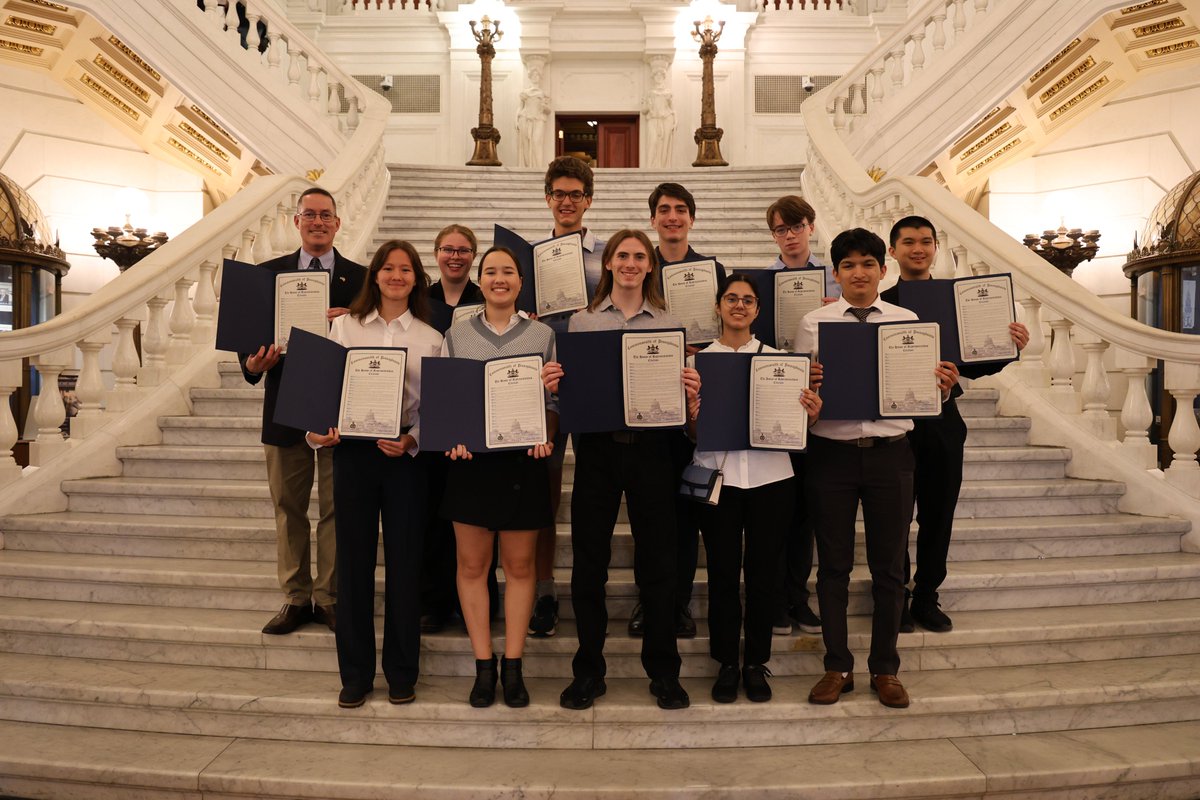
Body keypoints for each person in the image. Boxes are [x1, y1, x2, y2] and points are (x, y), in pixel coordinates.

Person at [795, 227, 957, 710]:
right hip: (831, 454)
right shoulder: (813, 323)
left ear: (882, 270)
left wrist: (943, 388)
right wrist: (808, 394)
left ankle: (885, 668)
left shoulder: (908, 320)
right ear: (837, 272)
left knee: (889, 568)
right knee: (834, 567)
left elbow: (927, 393)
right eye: (848, 265)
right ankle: (837, 665)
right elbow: (796, 397)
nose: (859, 273)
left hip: (891, 453)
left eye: (867, 264)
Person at [542, 229, 701, 711]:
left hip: (655, 451)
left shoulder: (672, 324)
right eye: (622, 256)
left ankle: (664, 672)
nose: (631, 263)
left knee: (659, 563)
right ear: (607, 264)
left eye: (639, 256)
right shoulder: (581, 323)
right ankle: (589, 670)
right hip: (598, 453)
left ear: (650, 265)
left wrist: (692, 389)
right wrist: (554, 383)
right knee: (589, 564)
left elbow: (686, 405)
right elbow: (561, 396)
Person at [306, 239, 444, 709]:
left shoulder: (430, 337)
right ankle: (356, 675)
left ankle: (402, 673)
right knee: (354, 566)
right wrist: (318, 433)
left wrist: (413, 440)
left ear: (416, 279)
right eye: (388, 268)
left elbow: (435, 409)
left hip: (403, 458)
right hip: (355, 456)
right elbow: (322, 390)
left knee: (406, 567)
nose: (396, 276)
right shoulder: (343, 327)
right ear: (375, 275)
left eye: (406, 269)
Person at [881, 216, 1029, 634]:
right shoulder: (881, 303)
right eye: (908, 242)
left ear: (935, 248)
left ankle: (926, 595)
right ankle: (897, 597)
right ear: (892, 251)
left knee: (938, 512)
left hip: (944, 420)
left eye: (926, 242)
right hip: (895, 421)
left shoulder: (959, 300)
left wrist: (1008, 346)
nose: (918, 248)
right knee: (895, 516)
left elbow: (975, 364)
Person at [690, 273, 821, 703]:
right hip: (718, 480)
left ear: (758, 310)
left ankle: (756, 662)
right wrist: (690, 412)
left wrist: (812, 413)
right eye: (731, 299)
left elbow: (803, 426)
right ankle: (727, 662)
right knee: (724, 575)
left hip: (772, 480)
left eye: (747, 300)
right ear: (718, 306)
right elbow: (690, 434)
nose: (739, 306)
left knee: (765, 576)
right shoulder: (696, 363)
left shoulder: (782, 362)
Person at [240, 187, 366, 636]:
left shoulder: (361, 279)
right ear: (297, 221)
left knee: (336, 508)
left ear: (337, 223)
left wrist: (349, 317)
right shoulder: (266, 275)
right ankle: (295, 597)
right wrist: (254, 364)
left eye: (325, 215)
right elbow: (251, 344)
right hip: (284, 407)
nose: (317, 222)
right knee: (288, 507)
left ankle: (329, 597)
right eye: (309, 214)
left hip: (337, 407)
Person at [441, 246, 559, 708]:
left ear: (520, 282)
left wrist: (546, 436)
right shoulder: (456, 334)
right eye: (490, 271)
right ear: (480, 279)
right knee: (471, 567)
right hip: (470, 462)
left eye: (508, 271)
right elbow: (448, 401)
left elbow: (552, 403)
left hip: (521, 463)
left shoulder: (543, 335)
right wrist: (452, 435)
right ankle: (482, 666)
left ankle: (513, 665)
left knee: (522, 567)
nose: (499, 279)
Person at [627, 182, 728, 640]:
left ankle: (680, 602)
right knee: (648, 517)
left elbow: (728, 328)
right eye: (664, 210)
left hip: (692, 403)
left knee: (686, 514)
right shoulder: (637, 267)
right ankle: (648, 603)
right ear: (652, 219)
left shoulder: (713, 270)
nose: (672, 217)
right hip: (644, 406)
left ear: (692, 218)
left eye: (680, 210)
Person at [527, 157, 607, 640]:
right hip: (545, 382)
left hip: (595, 382)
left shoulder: (608, 254)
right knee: (545, 494)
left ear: (589, 199)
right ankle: (543, 592)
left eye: (576, 194)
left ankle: (591, 591)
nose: (567, 201)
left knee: (601, 493)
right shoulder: (530, 257)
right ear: (548, 198)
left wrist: (590, 308)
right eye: (558, 193)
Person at [764, 194, 835, 638]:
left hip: (817, 407)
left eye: (795, 227)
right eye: (780, 229)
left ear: (810, 227)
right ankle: (773, 599)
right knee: (776, 509)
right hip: (773, 397)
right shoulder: (761, 280)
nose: (789, 236)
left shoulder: (836, 279)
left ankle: (798, 597)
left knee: (806, 512)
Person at [420, 224, 487, 634]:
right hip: (431, 416)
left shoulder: (485, 296)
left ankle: (473, 602)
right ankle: (434, 602)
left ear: (473, 256)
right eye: (448, 249)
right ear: (436, 253)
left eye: (464, 250)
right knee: (433, 515)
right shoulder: (418, 299)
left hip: (474, 419)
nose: (456, 256)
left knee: (473, 515)